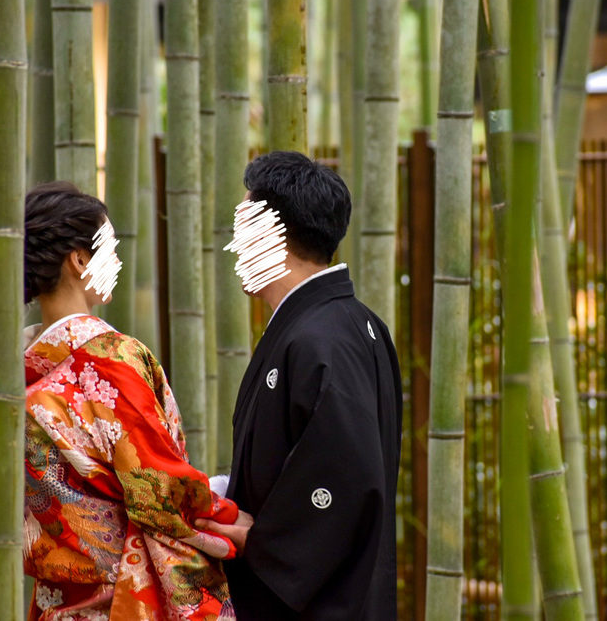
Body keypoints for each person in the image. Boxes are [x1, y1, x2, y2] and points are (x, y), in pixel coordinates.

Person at [197, 152, 403, 620]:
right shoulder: (348, 322)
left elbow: (348, 473)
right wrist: (230, 491)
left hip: (320, 603)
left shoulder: (318, 336)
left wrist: (263, 540)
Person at [22, 181, 240, 621]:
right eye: (108, 248)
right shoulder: (110, 360)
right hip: (121, 597)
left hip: (57, 600)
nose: (117, 262)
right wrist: (225, 509)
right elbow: (158, 487)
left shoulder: (20, 375)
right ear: (79, 259)